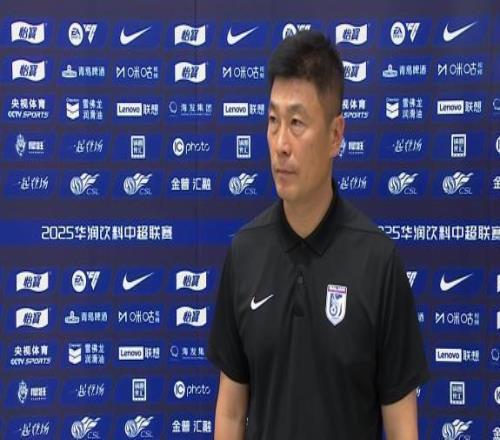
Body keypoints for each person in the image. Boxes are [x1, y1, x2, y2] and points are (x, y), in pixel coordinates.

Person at [208, 30, 429, 439]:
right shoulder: (244, 253)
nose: (280, 144)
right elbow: (231, 414)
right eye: (273, 121)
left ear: (335, 135)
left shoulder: (378, 262)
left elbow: (402, 429)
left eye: (296, 123)